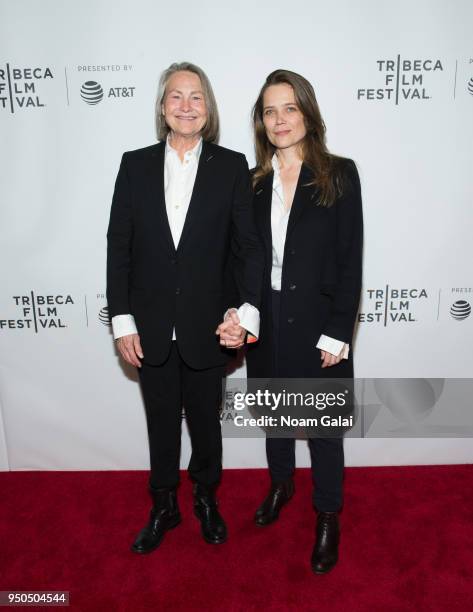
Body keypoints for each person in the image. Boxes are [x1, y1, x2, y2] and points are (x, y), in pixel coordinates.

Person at [106, 62, 264, 553]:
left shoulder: (232, 165)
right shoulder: (134, 164)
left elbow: (248, 249)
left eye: (196, 97)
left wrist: (246, 313)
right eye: (176, 96)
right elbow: (119, 247)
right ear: (162, 106)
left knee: (204, 422)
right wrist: (122, 319)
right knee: (159, 423)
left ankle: (206, 499)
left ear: (208, 108)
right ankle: (163, 506)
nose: (186, 106)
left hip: (209, 326)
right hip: (149, 325)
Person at [222, 69, 363, 573]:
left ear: (307, 112)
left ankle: (328, 514)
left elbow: (350, 260)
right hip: (268, 317)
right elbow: (247, 259)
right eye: (269, 111)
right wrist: (243, 312)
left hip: (319, 319)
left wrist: (339, 330)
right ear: (260, 122)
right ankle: (281, 484)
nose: (279, 120)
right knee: (275, 415)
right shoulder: (253, 183)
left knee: (323, 427)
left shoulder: (339, 174)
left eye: (289, 108)